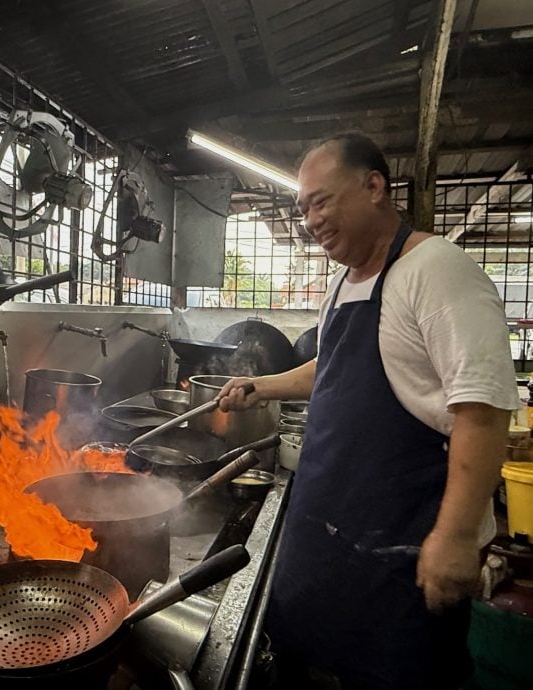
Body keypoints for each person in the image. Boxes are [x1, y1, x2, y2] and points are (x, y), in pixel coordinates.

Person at [217, 133, 518, 690]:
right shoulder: (341, 284)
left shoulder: (437, 269)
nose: (311, 219)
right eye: (303, 207)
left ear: (374, 186)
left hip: (403, 544)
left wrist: (453, 537)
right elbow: (327, 368)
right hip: (326, 529)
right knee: (301, 658)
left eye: (322, 200)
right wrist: (262, 385)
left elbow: (484, 406)